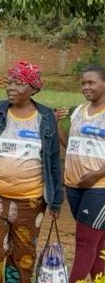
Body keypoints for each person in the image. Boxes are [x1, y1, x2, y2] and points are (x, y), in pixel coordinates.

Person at [0, 60, 62, 283]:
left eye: (19, 83)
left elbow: (53, 160)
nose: (11, 87)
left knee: (23, 256)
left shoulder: (46, 117)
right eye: (9, 82)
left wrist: (56, 199)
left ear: (33, 88)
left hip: (31, 201)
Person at [60, 65, 105, 281]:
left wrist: (96, 174)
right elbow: (70, 145)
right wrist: (57, 125)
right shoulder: (78, 111)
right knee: (98, 243)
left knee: (85, 242)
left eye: (91, 82)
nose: (86, 87)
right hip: (74, 186)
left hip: (99, 188)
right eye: (83, 83)